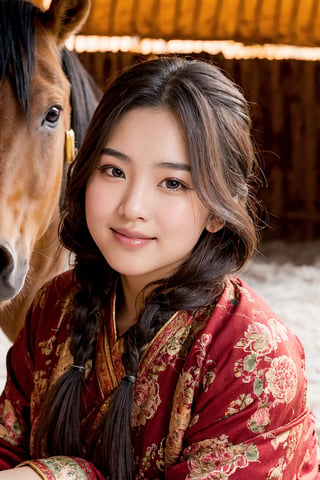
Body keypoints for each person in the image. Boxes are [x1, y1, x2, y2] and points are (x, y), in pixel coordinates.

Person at [0, 56, 318, 480]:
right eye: (113, 170)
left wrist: (65, 475)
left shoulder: (252, 355)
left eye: (173, 183)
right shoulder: (56, 306)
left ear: (221, 208)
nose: (132, 207)